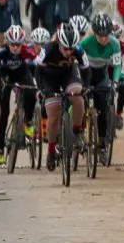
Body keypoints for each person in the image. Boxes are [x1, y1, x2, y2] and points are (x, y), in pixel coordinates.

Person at [35, 23, 90, 172]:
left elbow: (86, 70)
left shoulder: (78, 50)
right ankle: (51, 150)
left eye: (71, 49)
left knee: (78, 97)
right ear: (59, 43)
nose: (68, 51)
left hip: (68, 75)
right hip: (49, 79)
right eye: (65, 48)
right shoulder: (48, 49)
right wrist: (42, 90)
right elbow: (38, 70)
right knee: (53, 112)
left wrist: (86, 87)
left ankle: (77, 133)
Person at [79, 14, 122, 157]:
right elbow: (75, 62)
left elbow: (116, 66)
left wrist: (114, 82)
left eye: (107, 35)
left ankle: (102, 144)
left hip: (101, 75)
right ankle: (78, 132)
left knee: (103, 107)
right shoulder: (85, 42)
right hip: (86, 74)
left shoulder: (114, 44)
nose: (104, 39)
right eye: (100, 36)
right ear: (95, 33)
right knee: (80, 103)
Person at [0, 25, 37, 165]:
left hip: (22, 73)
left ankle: (28, 121)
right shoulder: (2, 52)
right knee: (4, 112)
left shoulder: (26, 51)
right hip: (5, 76)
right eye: (12, 44)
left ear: (22, 43)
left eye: (18, 44)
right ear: (8, 42)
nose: (16, 48)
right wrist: (2, 80)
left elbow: (38, 64)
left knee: (31, 92)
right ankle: (0, 149)